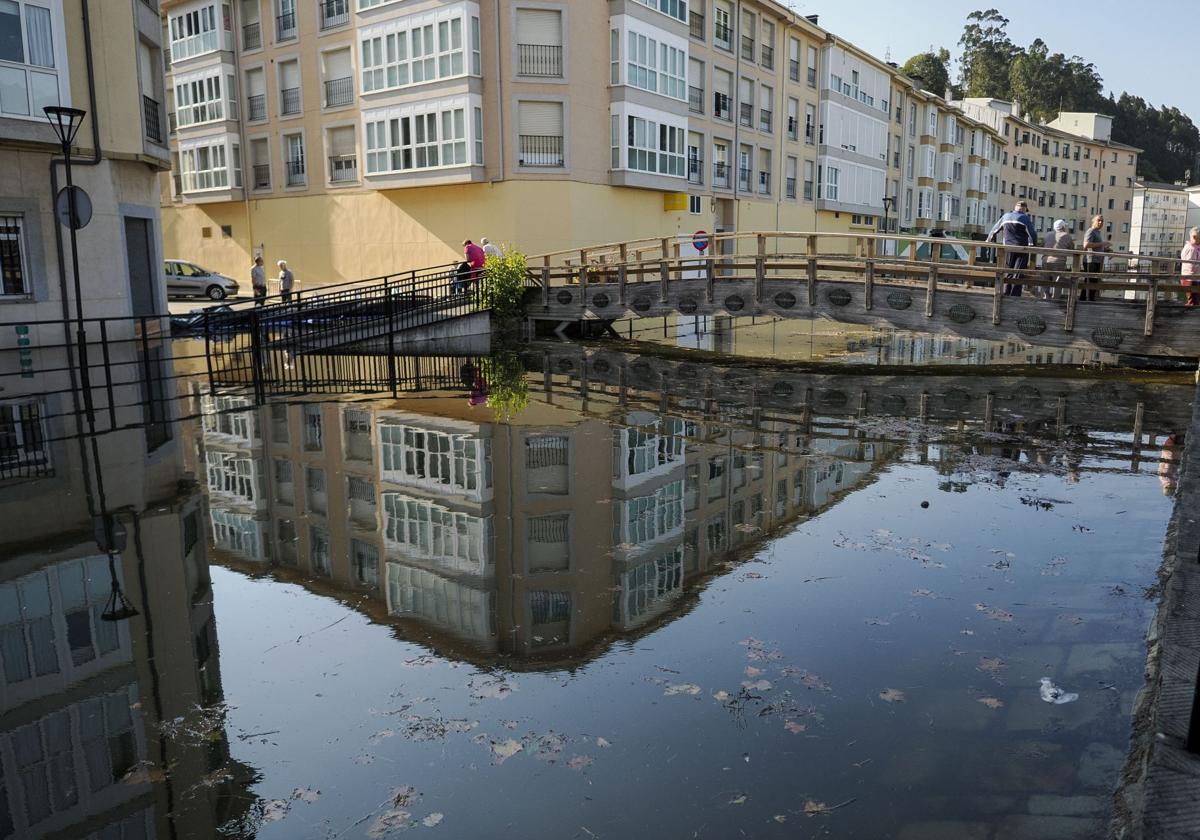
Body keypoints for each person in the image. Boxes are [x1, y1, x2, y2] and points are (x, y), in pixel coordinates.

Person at [985, 200, 1038, 296]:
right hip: (1021, 249)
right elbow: (1032, 234)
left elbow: (994, 230)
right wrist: (1033, 245)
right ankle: (1014, 295)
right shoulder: (1024, 218)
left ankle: (1006, 292)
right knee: (1018, 272)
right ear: (1024, 209)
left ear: (1015, 208)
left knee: (1009, 271)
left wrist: (988, 241)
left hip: (1008, 248)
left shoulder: (1006, 216)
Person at [1042, 220, 1074, 300]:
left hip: (1046, 260)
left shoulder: (1048, 235)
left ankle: (1046, 297)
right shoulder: (1066, 235)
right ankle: (1055, 299)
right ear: (1063, 227)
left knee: (1045, 280)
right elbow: (1071, 248)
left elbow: (1043, 244)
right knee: (1057, 281)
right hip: (1059, 261)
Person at [1082, 215, 1111, 302]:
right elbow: (1086, 245)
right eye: (1098, 220)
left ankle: (1087, 299)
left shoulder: (1097, 232)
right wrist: (1102, 244)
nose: (1100, 222)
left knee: (1092, 281)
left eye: (1102, 221)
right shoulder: (1090, 231)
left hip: (1096, 260)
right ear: (1093, 221)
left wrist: (1105, 249)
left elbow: (1096, 245)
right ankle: (1087, 299)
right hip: (1090, 260)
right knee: (1091, 281)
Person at [1181, 227, 1200, 307]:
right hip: (1190, 277)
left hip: (1194, 277)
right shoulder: (1190, 248)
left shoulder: (1195, 247)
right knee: (1192, 300)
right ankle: (1190, 317)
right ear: (1195, 237)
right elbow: (1191, 265)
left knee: (1196, 299)